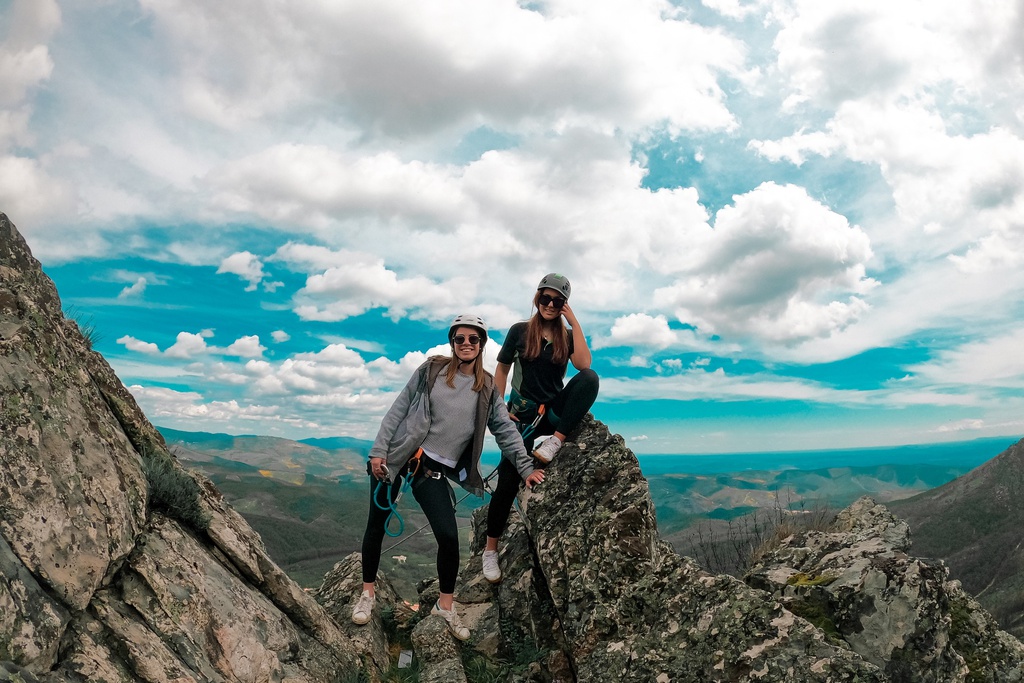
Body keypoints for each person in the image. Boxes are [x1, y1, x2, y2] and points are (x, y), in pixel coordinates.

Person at [352, 314, 544, 640]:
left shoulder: (487, 390)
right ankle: (367, 594)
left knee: (448, 537)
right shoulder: (431, 371)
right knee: (376, 524)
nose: (466, 344)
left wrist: (526, 468)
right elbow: (399, 409)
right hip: (400, 457)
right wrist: (377, 451)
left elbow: (507, 434)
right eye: (460, 338)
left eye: (473, 339)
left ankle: (445, 606)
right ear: (452, 342)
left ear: (482, 343)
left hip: (433, 470)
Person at [482, 273, 599, 584]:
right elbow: (502, 368)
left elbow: (584, 366)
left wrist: (575, 324)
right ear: (537, 299)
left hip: (552, 415)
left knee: (591, 380)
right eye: (545, 298)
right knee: (508, 478)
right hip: (522, 415)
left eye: (557, 300)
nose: (549, 304)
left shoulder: (567, 336)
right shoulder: (520, 331)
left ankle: (556, 442)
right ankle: (490, 550)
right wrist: (500, 409)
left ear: (563, 304)